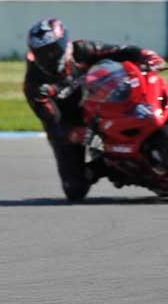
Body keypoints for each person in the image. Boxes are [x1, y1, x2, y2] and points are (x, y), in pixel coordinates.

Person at [23, 17, 165, 201]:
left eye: (52, 50)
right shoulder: (34, 84)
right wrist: (74, 133)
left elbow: (121, 51)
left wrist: (146, 55)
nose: (48, 56)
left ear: (64, 43)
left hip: (99, 106)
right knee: (75, 190)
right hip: (70, 124)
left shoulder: (82, 49)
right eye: (42, 53)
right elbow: (52, 123)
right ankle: (106, 166)